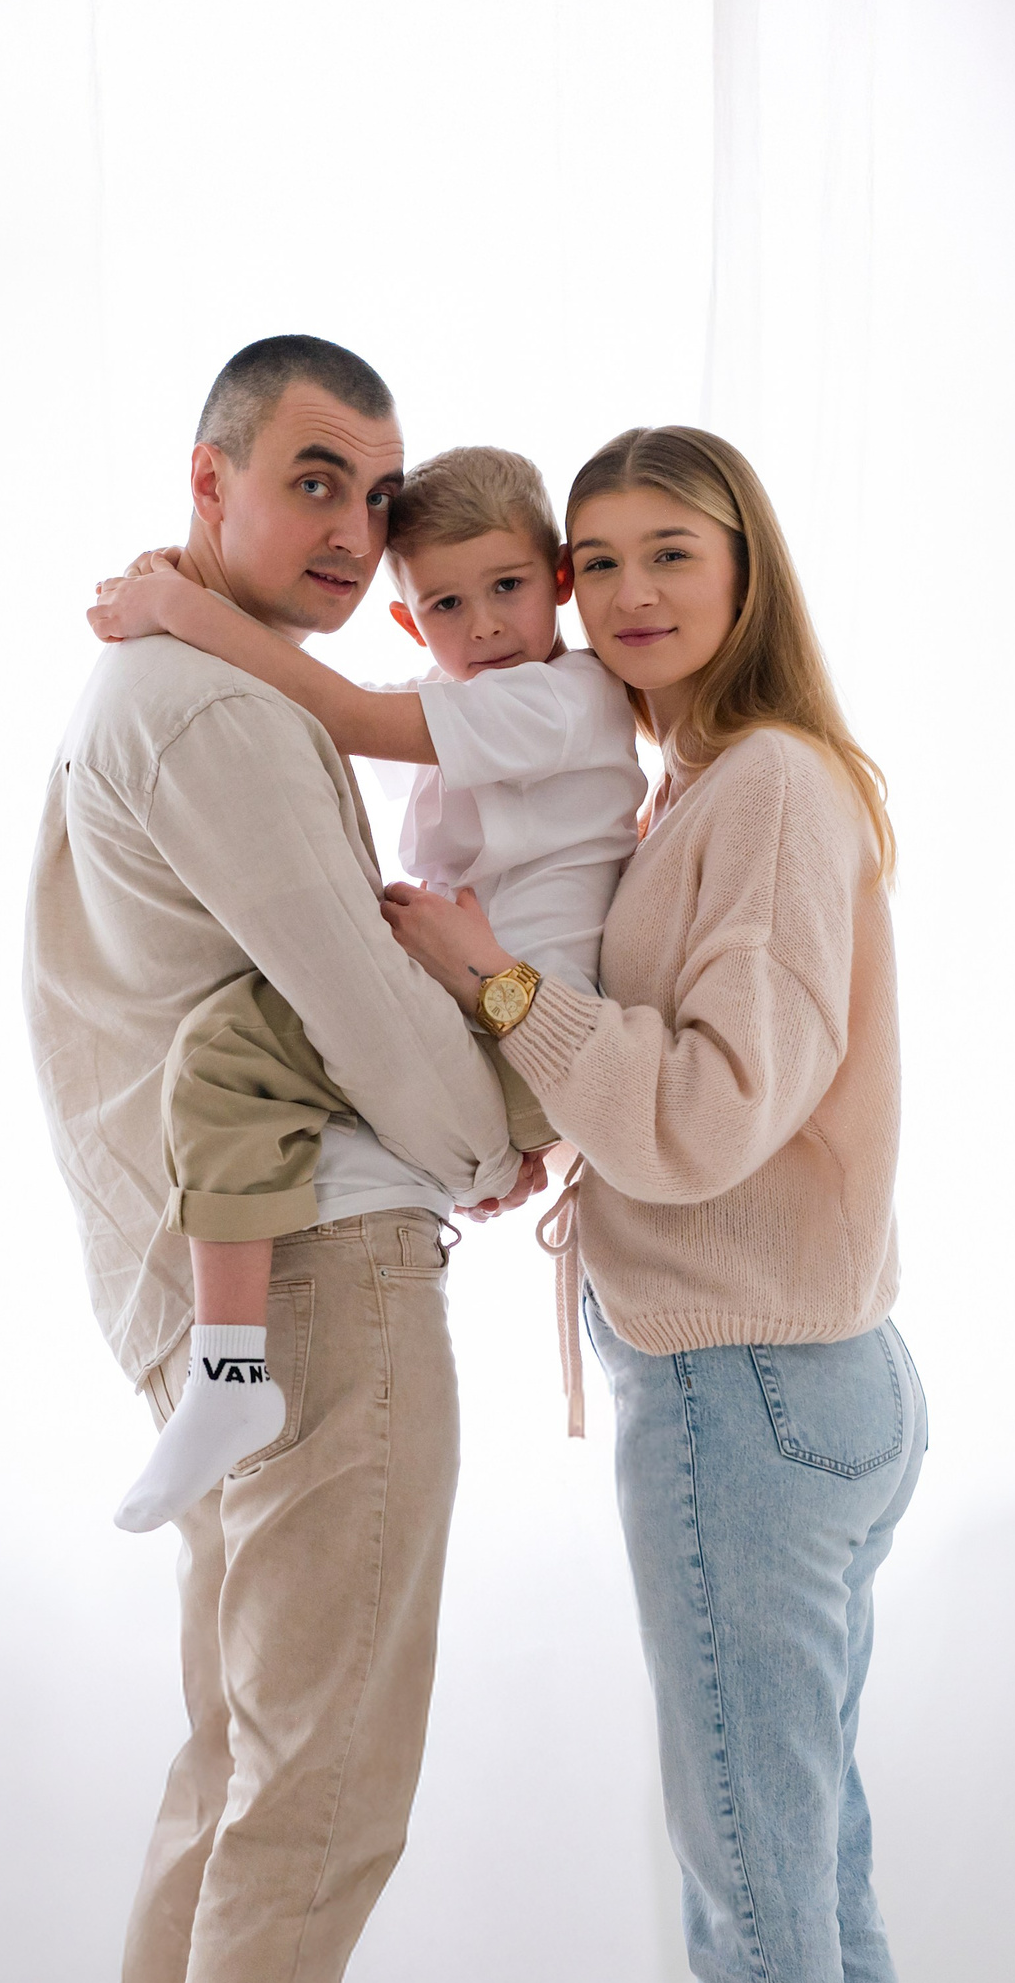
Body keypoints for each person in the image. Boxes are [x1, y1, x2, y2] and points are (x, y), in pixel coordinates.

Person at [23, 333, 546, 1983]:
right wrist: (496, 1141)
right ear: (211, 480)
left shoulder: (156, 683)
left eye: (375, 495)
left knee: (231, 1770)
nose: (352, 528)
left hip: (236, 1287)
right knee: (316, 1794)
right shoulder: (217, 710)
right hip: (326, 1281)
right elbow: (355, 989)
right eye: (314, 478)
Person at [383, 424, 930, 1983]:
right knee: (811, 1852)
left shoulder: (765, 787)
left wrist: (500, 993)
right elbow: (691, 1086)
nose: (624, 594)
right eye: (595, 560)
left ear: (744, 565)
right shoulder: (712, 781)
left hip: (739, 1382)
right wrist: (553, 1110)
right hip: (801, 1367)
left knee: (753, 1865)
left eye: (667, 553)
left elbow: (704, 1115)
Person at [88, 445, 645, 1530]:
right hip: (499, 1034)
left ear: (559, 580)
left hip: (521, 1028)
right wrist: (182, 584)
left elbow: (339, 712)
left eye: (508, 587)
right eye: (447, 604)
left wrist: (183, 609)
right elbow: (297, 703)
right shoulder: (463, 700)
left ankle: (228, 1379)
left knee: (225, 1056)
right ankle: (229, 1373)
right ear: (408, 621)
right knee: (247, 1056)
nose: (484, 625)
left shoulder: (566, 697)